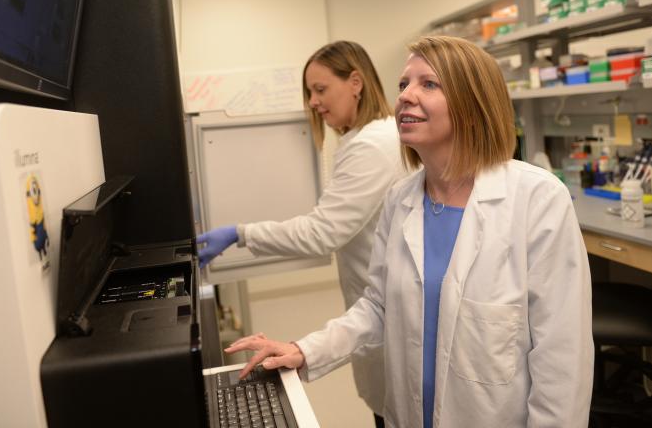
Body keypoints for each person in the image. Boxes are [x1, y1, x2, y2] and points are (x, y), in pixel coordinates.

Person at [224, 36, 594, 428]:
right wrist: (305, 349)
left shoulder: (536, 199)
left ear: (473, 105)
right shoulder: (401, 199)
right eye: (404, 85)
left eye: (428, 84)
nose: (405, 96)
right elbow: (377, 307)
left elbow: (562, 357)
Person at [197, 40, 404, 426]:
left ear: (356, 82)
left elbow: (322, 233)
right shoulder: (365, 141)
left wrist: (240, 233)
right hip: (376, 310)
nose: (312, 101)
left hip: (387, 317)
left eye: (320, 89)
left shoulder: (374, 146)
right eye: (309, 92)